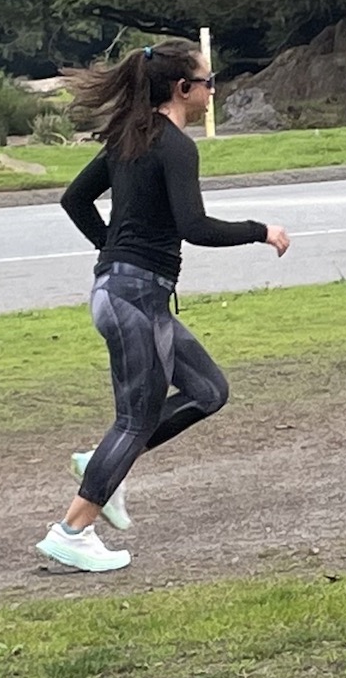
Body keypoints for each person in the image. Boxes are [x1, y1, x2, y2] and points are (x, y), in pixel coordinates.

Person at [37, 40, 290, 572]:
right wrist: (260, 231)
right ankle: (71, 530)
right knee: (135, 419)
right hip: (133, 299)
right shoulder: (174, 145)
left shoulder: (130, 138)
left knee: (207, 391)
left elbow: (74, 201)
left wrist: (111, 251)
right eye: (208, 82)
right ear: (183, 89)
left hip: (127, 294)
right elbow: (194, 228)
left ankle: (103, 465)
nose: (212, 90)